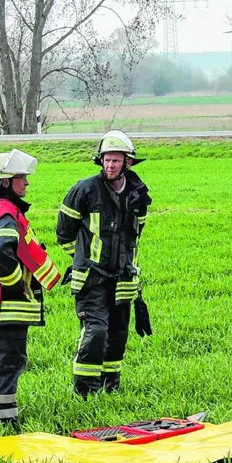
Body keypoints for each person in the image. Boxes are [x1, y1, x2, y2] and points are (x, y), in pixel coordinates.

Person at [0, 149, 64, 425]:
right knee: (9, 360)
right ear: (6, 182)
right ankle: (2, 420)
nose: (27, 183)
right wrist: (16, 283)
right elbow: (1, 253)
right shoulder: (5, 213)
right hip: (5, 303)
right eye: (22, 178)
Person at [57, 130, 153, 396]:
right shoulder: (85, 189)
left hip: (123, 277)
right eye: (106, 160)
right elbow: (64, 233)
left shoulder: (138, 193)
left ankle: (111, 386)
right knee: (96, 331)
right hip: (91, 278)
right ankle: (85, 391)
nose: (109, 165)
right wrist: (82, 259)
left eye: (115, 161)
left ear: (128, 163)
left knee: (118, 334)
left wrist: (130, 268)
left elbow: (136, 236)